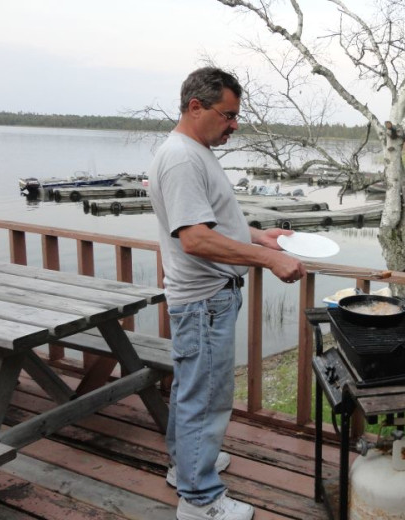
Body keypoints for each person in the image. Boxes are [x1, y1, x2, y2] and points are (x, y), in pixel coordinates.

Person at [148, 67, 306, 520]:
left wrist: (258, 237)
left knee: (191, 390)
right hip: (203, 301)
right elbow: (195, 239)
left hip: (203, 299)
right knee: (207, 396)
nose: (234, 125)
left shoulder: (192, 151)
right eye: (229, 115)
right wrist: (271, 261)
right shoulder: (181, 158)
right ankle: (199, 499)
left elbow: (209, 220)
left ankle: (186, 468)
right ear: (196, 107)